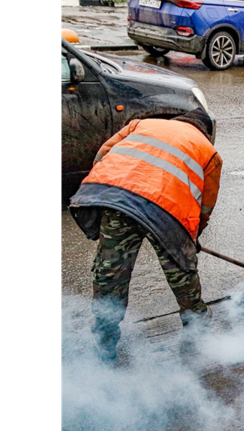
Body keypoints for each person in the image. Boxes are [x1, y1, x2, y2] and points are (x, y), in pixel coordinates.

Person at [68, 108, 223, 363]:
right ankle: (197, 331)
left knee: (111, 274)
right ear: (206, 132)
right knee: (181, 272)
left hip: (118, 200)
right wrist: (193, 238)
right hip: (167, 215)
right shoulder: (209, 152)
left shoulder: (140, 125)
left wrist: (108, 195)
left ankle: (104, 345)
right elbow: (206, 206)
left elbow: (103, 156)